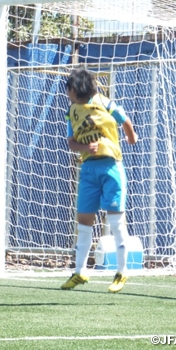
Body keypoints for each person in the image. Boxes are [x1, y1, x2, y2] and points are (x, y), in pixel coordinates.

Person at [60, 68, 138, 293]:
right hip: (88, 170)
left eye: (68, 89)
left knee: (116, 222)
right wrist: (86, 148)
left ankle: (121, 272)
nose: (67, 94)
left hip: (111, 167)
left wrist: (131, 138)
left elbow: (125, 120)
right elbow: (71, 142)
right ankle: (80, 272)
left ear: (75, 89)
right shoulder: (72, 112)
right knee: (84, 222)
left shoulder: (104, 102)